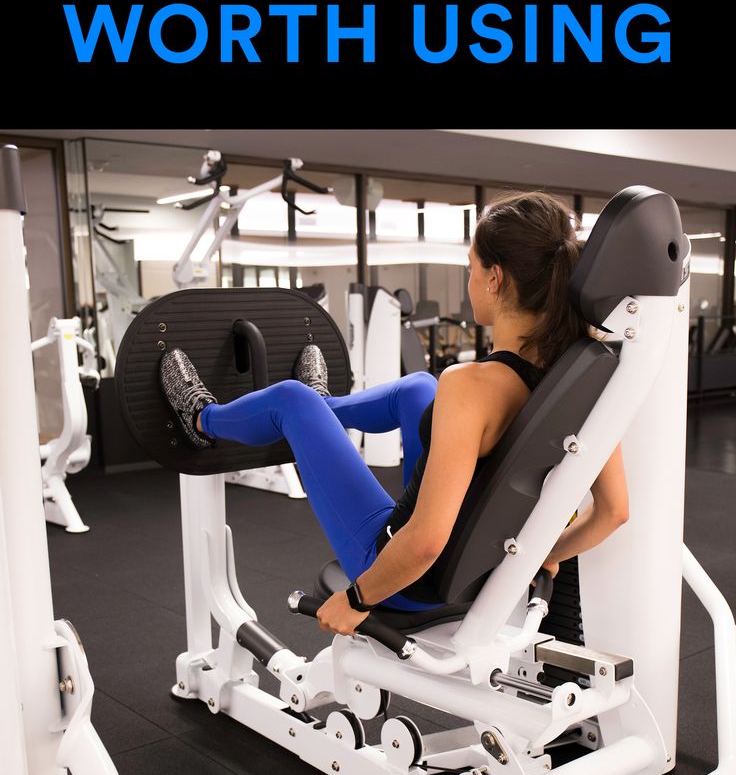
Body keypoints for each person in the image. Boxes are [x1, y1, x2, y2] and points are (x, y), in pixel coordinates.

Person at [160, 191, 628, 637]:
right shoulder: (582, 383)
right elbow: (614, 512)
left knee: (290, 400)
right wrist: (537, 556)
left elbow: (424, 541)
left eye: (471, 267)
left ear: (495, 278)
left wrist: (358, 599)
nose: (469, 281)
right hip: (478, 564)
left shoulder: (472, 387)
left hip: (408, 577)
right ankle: (324, 407)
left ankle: (201, 417)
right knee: (419, 388)